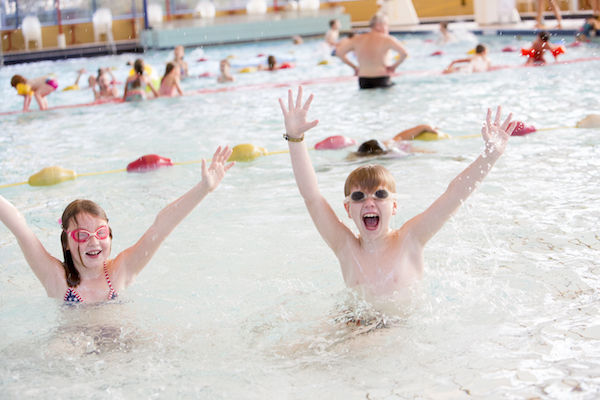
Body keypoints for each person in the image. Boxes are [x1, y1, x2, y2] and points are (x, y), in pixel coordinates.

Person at [279, 86, 516, 298]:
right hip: (354, 323)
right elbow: (311, 196)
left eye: (380, 195)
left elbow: (454, 195)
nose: (369, 202)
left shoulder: (410, 238)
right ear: (347, 209)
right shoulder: (345, 246)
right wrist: (295, 138)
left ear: (394, 206)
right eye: (359, 197)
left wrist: (490, 155)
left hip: (397, 330)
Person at [0, 146, 234, 303]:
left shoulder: (120, 271)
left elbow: (161, 228)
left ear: (110, 237)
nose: (94, 241)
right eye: (82, 235)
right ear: (67, 243)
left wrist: (203, 189)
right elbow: (19, 226)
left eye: (100, 233)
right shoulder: (57, 278)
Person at [335, 14, 408, 89]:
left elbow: (339, 53)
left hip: (364, 80)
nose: (387, 28)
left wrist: (354, 67)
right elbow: (404, 53)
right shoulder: (387, 39)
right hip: (382, 78)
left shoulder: (357, 39)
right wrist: (393, 67)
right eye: (386, 25)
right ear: (378, 25)